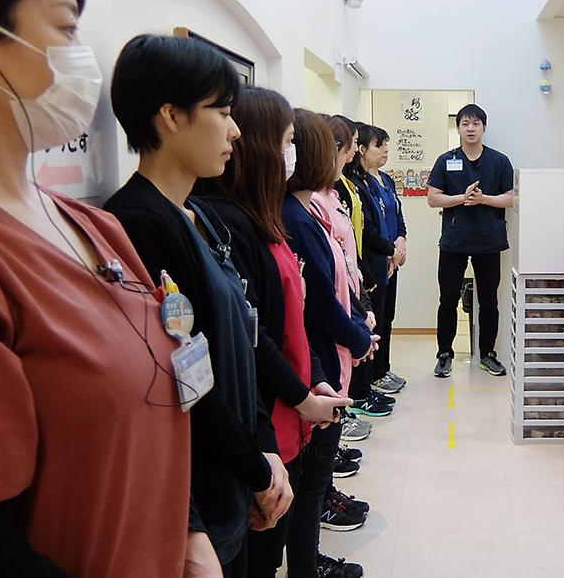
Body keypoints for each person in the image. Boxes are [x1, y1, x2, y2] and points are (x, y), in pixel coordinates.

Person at [0, 0, 192, 575]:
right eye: (65, 28)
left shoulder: (94, 225)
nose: (80, 54)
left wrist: (189, 532)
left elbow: (162, 388)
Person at [105, 34, 293, 576]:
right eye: (224, 113)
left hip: (235, 472)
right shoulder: (139, 223)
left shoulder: (198, 214)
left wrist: (264, 448)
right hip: (201, 490)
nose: (235, 131)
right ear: (171, 116)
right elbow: (184, 377)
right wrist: (256, 469)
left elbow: (243, 339)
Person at [195, 86, 353, 578]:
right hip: (271, 418)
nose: (293, 153)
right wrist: (303, 397)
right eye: (287, 141)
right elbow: (252, 339)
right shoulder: (229, 222)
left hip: (291, 410)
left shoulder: (263, 219)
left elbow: (292, 318)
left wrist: (314, 381)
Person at [282, 107, 375, 578]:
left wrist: (358, 323)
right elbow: (318, 300)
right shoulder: (297, 218)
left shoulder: (309, 211)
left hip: (329, 357)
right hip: (319, 359)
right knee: (311, 479)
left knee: (314, 475)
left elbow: (338, 277)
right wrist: (357, 335)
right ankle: (306, 566)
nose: (350, 154)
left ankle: (307, 560)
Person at [427, 103, 514, 377]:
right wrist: (462, 198)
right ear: (458, 128)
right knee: (447, 300)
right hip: (454, 242)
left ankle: (488, 354)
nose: (471, 128)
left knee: (489, 301)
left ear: (484, 128)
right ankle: (444, 354)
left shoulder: (500, 161)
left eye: (476, 123)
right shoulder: (446, 160)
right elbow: (433, 199)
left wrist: (483, 199)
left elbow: (511, 198)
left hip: (488, 242)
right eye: (465, 123)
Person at [357, 123, 408, 393]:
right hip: (376, 263)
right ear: (361, 150)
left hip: (392, 262)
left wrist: (400, 241)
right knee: (374, 319)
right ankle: (373, 376)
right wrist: (390, 252)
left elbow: (398, 217)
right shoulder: (360, 184)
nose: (385, 150)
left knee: (388, 317)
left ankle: (384, 369)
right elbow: (369, 230)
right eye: (379, 145)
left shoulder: (387, 180)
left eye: (386, 144)